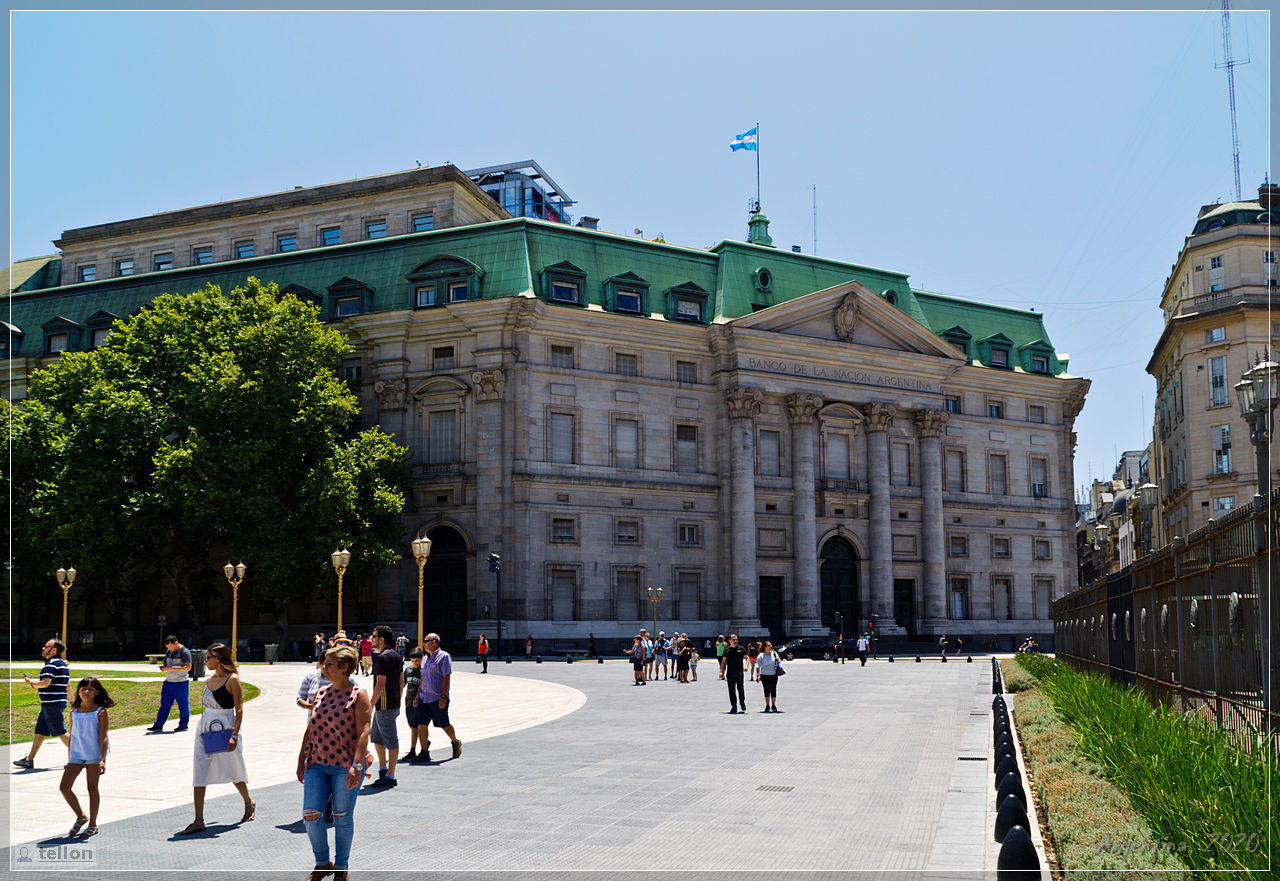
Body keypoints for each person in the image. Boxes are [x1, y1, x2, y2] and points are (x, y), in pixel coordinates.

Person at [298, 644, 371, 881]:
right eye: (324, 664)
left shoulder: (358, 694)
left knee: (342, 816)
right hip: (316, 763)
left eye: (329, 664)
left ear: (344, 667)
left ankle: (341, 868)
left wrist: (357, 765)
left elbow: (364, 731)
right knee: (310, 814)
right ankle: (322, 863)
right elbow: (311, 726)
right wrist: (301, 759)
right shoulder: (321, 692)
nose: (324, 668)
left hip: (345, 766)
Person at [178, 643, 254, 835]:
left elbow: (239, 710)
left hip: (225, 727)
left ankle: (248, 802)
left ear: (218, 659)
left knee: (233, 768)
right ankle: (198, 820)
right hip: (205, 728)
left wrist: (234, 735)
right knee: (199, 769)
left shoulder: (232, 679)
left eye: (208, 658)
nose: (205, 662)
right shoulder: (208, 681)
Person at [61, 677, 113, 839]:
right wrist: (69, 757)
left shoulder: (100, 711)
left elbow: (103, 736)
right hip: (77, 755)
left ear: (96, 692)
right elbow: (73, 736)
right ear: (78, 691)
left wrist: (102, 759)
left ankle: (93, 825)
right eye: (83, 689)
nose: (86, 692)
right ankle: (81, 816)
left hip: (93, 755)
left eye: (90, 689)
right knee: (64, 787)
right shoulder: (74, 711)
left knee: (92, 789)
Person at [14, 638, 71, 769]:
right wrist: (72, 700)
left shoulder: (50, 664)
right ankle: (29, 760)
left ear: (53, 650)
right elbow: (67, 685)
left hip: (52, 704)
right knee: (40, 731)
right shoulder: (62, 664)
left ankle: (82, 757)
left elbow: (45, 683)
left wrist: (31, 684)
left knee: (61, 731)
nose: (43, 648)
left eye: (46, 646)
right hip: (53, 703)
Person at [413, 632, 462, 759]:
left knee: (443, 724)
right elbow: (422, 678)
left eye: (426, 641)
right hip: (424, 698)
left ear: (434, 642)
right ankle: (424, 752)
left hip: (437, 698)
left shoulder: (444, 657)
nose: (423, 644)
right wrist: (417, 695)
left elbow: (446, 677)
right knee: (421, 724)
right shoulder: (425, 658)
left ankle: (455, 741)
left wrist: (443, 696)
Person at [368, 625, 404, 788]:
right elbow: (401, 681)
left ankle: (390, 775)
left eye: (374, 636)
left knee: (390, 739)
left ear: (381, 639)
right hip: (390, 703)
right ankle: (383, 769)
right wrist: (398, 702)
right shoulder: (396, 656)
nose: (372, 639)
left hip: (384, 704)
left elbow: (380, 683)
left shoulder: (382, 658)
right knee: (377, 736)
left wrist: (370, 703)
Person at [148, 634, 192, 732]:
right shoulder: (169, 652)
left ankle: (183, 725)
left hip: (180, 683)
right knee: (164, 704)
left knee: (182, 705)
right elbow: (165, 662)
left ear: (176, 643)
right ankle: (158, 725)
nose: (169, 649)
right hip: (168, 682)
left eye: (170, 646)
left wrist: (170, 668)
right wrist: (163, 666)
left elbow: (188, 667)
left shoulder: (185, 652)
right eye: (167, 647)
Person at [402, 648, 427, 762]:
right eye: (412, 661)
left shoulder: (424, 671)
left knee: (415, 726)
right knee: (411, 725)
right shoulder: (408, 670)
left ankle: (413, 750)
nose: (415, 663)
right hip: (408, 701)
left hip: (419, 702)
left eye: (417, 661)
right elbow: (403, 684)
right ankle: (423, 740)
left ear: (422, 658)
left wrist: (417, 698)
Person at [723, 634, 749, 713]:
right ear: (729, 641)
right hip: (730, 672)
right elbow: (723, 662)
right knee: (731, 690)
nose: (735, 641)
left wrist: (746, 666)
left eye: (736, 639)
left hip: (739, 672)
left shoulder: (741, 649)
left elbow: (747, 658)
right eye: (733, 640)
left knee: (740, 688)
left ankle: (742, 702)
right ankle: (734, 706)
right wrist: (721, 671)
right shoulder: (726, 650)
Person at [755, 640, 782, 712]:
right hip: (764, 675)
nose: (770, 646)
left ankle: (773, 705)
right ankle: (767, 705)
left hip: (773, 674)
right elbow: (757, 666)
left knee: (773, 689)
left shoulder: (774, 653)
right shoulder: (761, 655)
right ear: (765, 647)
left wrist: (778, 660)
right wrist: (758, 675)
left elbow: (779, 661)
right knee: (766, 690)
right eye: (769, 645)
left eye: (771, 645)